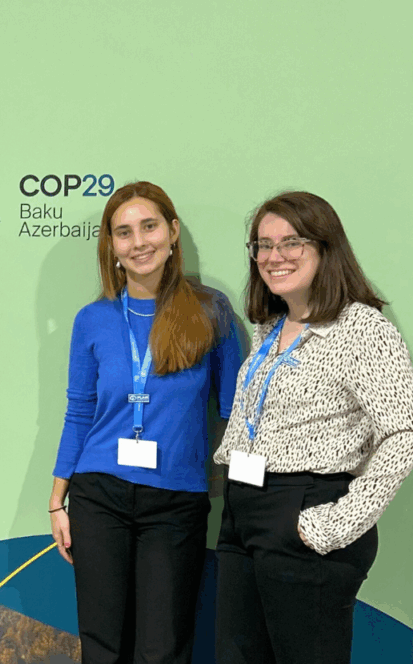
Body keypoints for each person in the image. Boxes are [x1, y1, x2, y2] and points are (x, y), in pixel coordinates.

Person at [213, 191, 413, 664]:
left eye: (291, 242)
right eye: (262, 244)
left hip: (305, 513)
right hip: (243, 513)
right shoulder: (269, 327)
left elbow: (403, 434)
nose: (273, 256)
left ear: (326, 247)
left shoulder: (361, 328)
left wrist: (329, 526)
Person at [48, 181, 243, 664]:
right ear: (111, 247)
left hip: (176, 501)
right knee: (102, 646)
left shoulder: (210, 310)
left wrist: (251, 499)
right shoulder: (92, 320)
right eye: (124, 232)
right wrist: (57, 500)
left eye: (149, 226)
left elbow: (236, 413)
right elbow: (78, 413)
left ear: (173, 232)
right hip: (98, 496)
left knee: (162, 649)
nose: (139, 242)